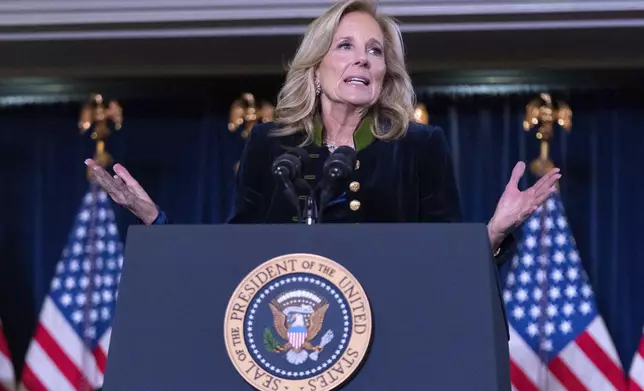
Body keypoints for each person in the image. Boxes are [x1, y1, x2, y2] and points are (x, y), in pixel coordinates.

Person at [85, 0, 560, 263]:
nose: (363, 58)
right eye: (346, 45)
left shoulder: (420, 146)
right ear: (315, 68)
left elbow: (447, 260)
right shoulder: (269, 144)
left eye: (375, 50)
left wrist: (494, 232)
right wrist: (153, 219)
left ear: (385, 74)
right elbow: (231, 254)